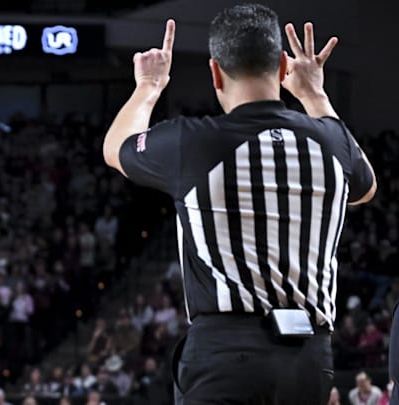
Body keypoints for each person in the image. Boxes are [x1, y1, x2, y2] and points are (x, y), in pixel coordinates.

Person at [102, 4, 376, 404]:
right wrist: (315, 94)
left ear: (215, 72)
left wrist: (148, 87)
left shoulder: (192, 142)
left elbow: (115, 148)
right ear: (283, 67)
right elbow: (366, 187)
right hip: (310, 358)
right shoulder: (332, 143)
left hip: (224, 353)